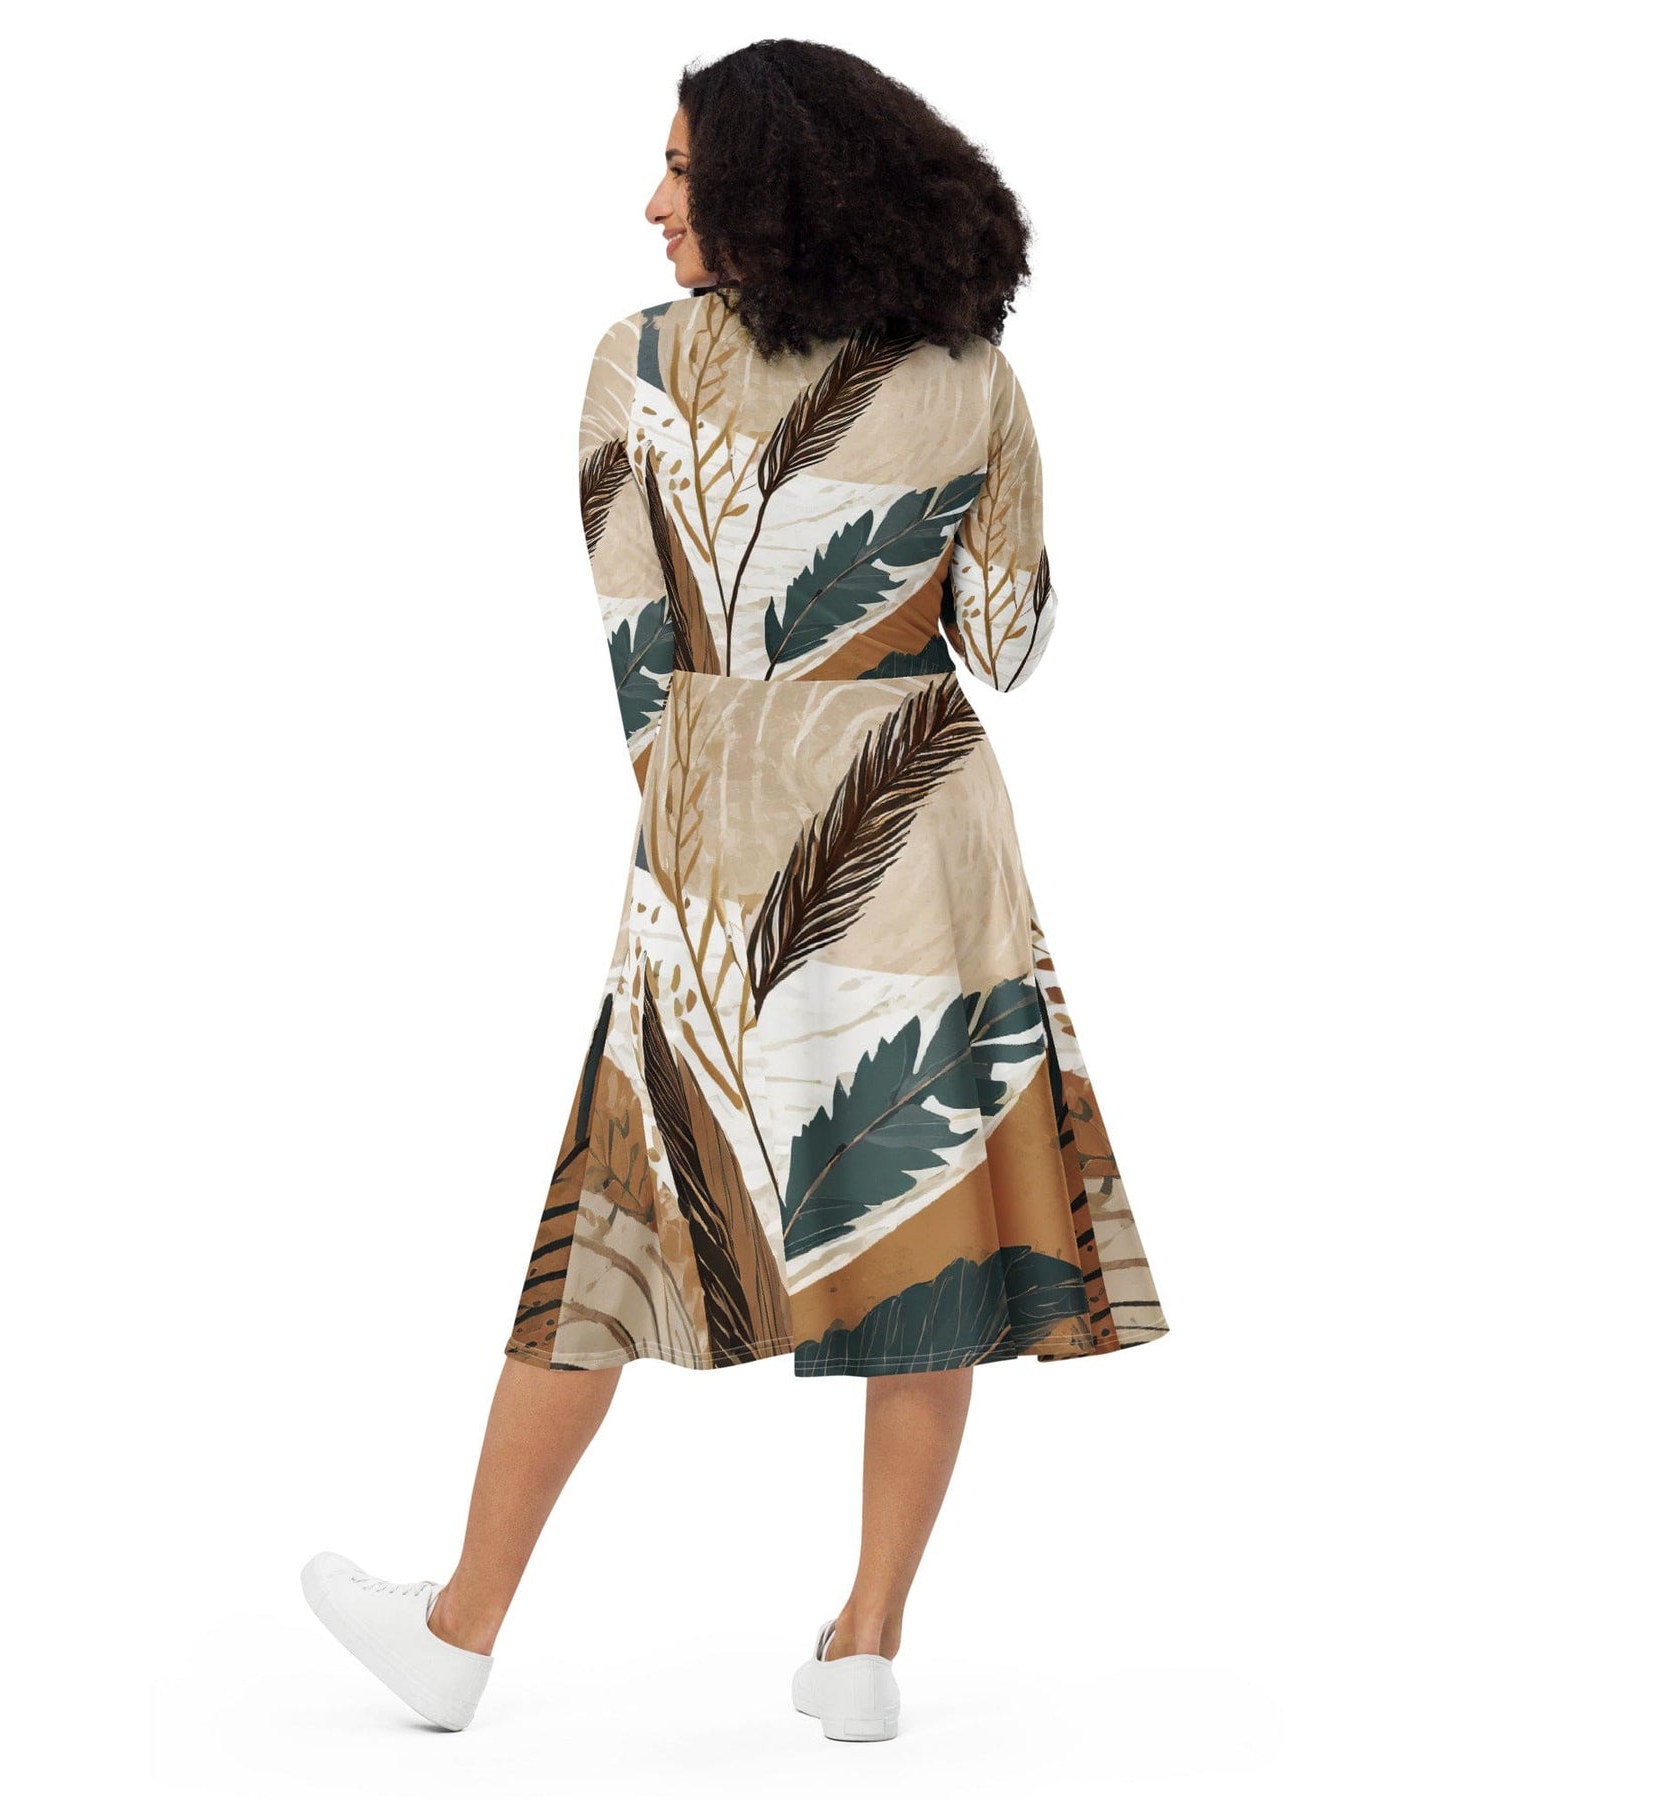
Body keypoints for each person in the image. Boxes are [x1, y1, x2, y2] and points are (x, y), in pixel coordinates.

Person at [301, 37, 1170, 1743]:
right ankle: (863, 1649)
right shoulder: (969, 373)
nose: (653, 202)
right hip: (925, 828)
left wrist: (698, 835)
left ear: (777, 188)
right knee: (919, 1225)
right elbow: (1005, 643)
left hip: (715, 829)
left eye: (683, 172)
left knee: (612, 1221)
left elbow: (642, 654)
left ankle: (461, 1630)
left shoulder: (634, 364)